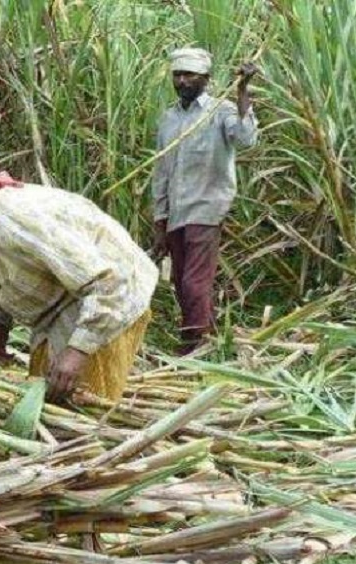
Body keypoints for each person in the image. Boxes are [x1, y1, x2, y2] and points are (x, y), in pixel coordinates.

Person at [0, 161, 158, 403]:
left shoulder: (13, 223)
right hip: (56, 303)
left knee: (83, 404)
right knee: (46, 396)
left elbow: (107, 281)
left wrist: (78, 351)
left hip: (111, 294)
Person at [151, 48, 258, 355]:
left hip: (207, 209)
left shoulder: (221, 111)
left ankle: (193, 346)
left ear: (206, 79)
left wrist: (242, 92)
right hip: (175, 214)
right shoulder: (168, 119)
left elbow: (245, 139)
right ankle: (205, 337)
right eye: (177, 75)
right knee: (181, 282)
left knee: (194, 282)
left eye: (189, 75)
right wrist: (160, 219)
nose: (182, 81)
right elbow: (162, 172)